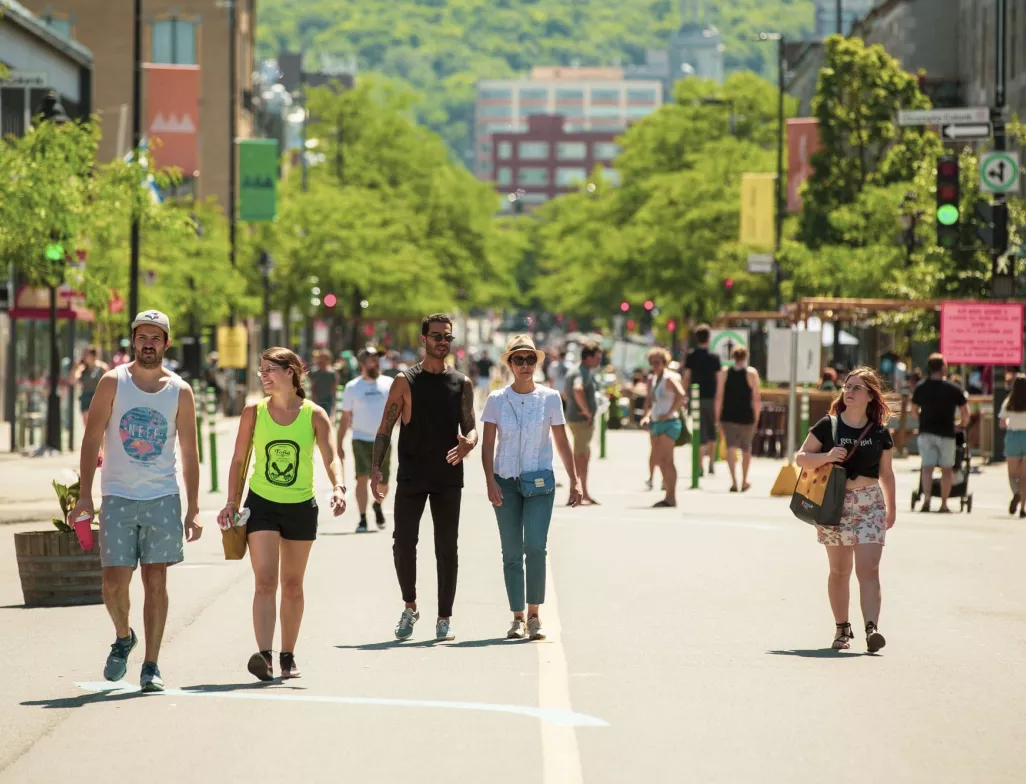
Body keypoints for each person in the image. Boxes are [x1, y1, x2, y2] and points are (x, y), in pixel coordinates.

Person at [69, 311, 201, 692]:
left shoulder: (180, 390)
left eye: (155, 338)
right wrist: (83, 496)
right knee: (113, 584)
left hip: (162, 496)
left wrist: (193, 508)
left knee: (155, 580)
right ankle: (124, 636)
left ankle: (151, 665)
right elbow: (92, 438)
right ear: (133, 340)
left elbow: (190, 453)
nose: (148, 343)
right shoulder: (113, 383)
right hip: (119, 496)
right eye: (142, 336)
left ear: (166, 343)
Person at [218, 348, 347, 681]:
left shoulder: (314, 414)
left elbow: (332, 455)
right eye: (261, 370)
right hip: (261, 504)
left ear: (290, 372)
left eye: (269, 369)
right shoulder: (253, 412)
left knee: (292, 586)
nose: (263, 375)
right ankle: (264, 655)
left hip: (301, 507)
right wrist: (232, 502)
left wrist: (339, 487)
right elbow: (237, 460)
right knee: (265, 582)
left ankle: (288, 656)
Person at [372, 314, 477, 642]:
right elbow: (385, 429)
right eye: (436, 336)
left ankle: (444, 617)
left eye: (447, 337)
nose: (442, 342)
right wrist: (377, 470)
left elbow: (470, 426)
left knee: (447, 548)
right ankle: (410, 605)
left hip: (448, 475)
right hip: (412, 476)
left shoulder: (461, 383)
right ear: (423, 339)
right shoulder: (405, 381)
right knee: (403, 544)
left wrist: (469, 443)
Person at [481, 336, 582, 640]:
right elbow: (487, 446)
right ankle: (517, 617)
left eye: (530, 359)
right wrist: (489, 480)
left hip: (539, 483)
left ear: (537, 363)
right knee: (511, 552)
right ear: (509, 364)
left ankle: (535, 614)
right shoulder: (496, 400)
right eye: (518, 360)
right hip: (506, 483)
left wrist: (574, 479)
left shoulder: (550, 397)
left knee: (535, 547)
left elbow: (562, 441)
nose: (525, 365)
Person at [795, 368, 896, 653]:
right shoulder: (828, 426)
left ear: (869, 396)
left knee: (870, 569)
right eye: (847, 386)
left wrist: (891, 509)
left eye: (857, 388)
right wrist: (827, 456)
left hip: (870, 503)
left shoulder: (880, 432)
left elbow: (887, 473)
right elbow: (801, 458)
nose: (849, 391)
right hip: (835, 504)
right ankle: (842, 628)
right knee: (840, 571)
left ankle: (871, 628)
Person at [339, 347, 393, 532]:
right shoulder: (353, 387)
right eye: (371, 359)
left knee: (383, 483)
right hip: (360, 438)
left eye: (377, 359)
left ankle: (377, 505)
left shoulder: (389, 384)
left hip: (384, 440)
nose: (376, 362)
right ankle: (362, 519)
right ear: (362, 364)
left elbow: (400, 411)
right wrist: (339, 444)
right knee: (361, 478)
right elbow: (345, 417)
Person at [912, 353, 970, 513]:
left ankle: (927, 499)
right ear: (943, 367)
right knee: (947, 469)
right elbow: (966, 410)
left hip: (926, 432)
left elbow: (913, 410)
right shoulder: (953, 388)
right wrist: (961, 425)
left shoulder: (921, 387)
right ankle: (944, 504)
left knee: (927, 467)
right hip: (947, 432)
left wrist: (921, 420)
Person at [640, 348, 686, 508]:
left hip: (669, 423)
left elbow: (681, 395)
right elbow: (652, 402)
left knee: (667, 460)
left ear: (665, 362)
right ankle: (667, 494)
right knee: (659, 459)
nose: (654, 365)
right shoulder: (653, 379)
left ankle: (671, 497)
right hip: (656, 423)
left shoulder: (669, 378)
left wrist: (669, 413)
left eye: (657, 362)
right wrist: (647, 416)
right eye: (652, 362)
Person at [715, 346, 761, 493]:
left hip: (728, 415)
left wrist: (717, 417)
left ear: (733, 357)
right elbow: (756, 398)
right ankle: (744, 480)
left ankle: (734, 481)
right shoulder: (751, 373)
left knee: (731, 447)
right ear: (746, 357)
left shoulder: (725, 373)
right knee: (746, 448)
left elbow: (719, 396)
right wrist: (756, 417)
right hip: (746, 415)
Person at [563, 342, 601, 505]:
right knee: (580, 457)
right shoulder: (581, 372)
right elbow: (577, 389)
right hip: (581, 420)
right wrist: (586, 411)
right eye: (597, 357)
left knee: (583, 455)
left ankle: (583, 492)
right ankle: (577, 493)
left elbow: (566, 393)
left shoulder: (580, 371)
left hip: (577, 418)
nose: (599, 361)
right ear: (589, 357)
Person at [682, 325, 722, 476]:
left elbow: (686, 377)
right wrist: (719, 398)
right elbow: (719, 380)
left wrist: (683, 395)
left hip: (696, 397)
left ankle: (699, 465)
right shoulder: (714, 357)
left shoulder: (691, 356)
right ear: (709, 338)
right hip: (711, 397)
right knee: (712, 430)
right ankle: (711, 462)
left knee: (699, 430)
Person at [999, 373, 1026, 517]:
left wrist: (1011, 423)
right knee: (1024, 476)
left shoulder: (1009, 401)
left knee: (1012, 474)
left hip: (1013, 437)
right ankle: (1023, 508)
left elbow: (1002, 423)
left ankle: (1016, 493)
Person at [75, 346, 108, 427]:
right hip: (85, 397)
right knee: (86, 424)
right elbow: (74, 380)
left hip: (98, 397)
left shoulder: (102, 367)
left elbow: (109, 383)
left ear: (93, 355)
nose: (84, 356)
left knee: (98, 425)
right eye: (84, 354)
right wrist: (77, 367)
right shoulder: (82, 368)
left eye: (87, 354)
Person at [309, 350, 340, 418]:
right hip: (318, 399)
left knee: (326, 417)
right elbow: (312, 386)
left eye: (324, 358)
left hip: (328, 399)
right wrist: (313, 399)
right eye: (320, 358)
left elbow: (334, 387)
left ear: (328, 360)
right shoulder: (315, 372)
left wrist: (334, 401)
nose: (321, 360)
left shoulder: (332, 373)